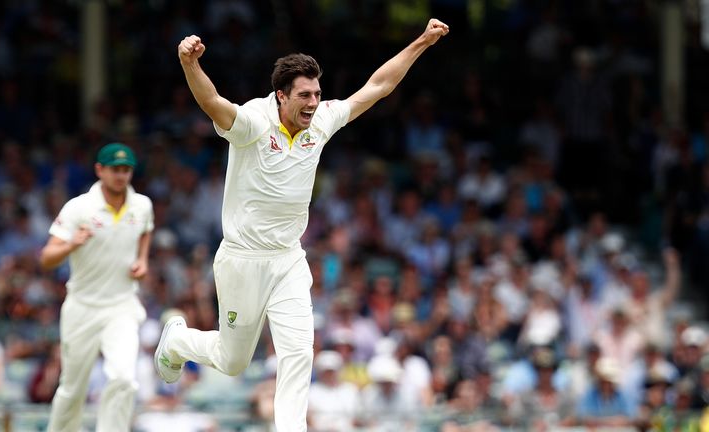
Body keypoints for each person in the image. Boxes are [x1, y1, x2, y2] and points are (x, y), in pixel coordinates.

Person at [153, 18, 450, 431]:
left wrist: (422, 41)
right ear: (281, 96)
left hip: (289, 259)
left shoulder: (322, 121)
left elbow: (378, 86)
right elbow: (213, 103)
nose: (313, 102)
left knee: (299, 351)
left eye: (317, 94)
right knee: (233, 360)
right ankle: (178, 339)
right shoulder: (255, 122)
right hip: (243, 259)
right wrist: (189, 64)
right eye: (305, 95)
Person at [39, 143, 154, 432]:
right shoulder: (79, 208)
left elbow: (146, 231)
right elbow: (46, 259)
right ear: (99, 170)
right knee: (73, 388)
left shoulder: (142, 205)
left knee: (124, 379)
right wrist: (71, 244)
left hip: (122, 306)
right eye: (115, 170)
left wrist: (142, 260)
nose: (121, 176)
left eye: (126, 170)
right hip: (82, 307)